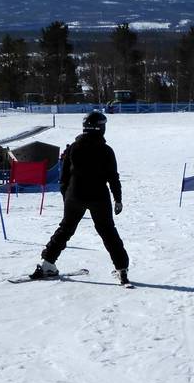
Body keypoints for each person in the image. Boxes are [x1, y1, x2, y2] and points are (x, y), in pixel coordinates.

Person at [34, 111, 131, 284]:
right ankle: (122, 269)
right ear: (100, 128)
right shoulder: (106, 150)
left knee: (65, 229)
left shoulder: (73, 148)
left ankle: (47, 263)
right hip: (98, 197)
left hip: (75, 195)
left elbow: (64, 177)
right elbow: (113, 177)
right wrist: (118, 199)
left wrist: (66, 196)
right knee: (108, 231)